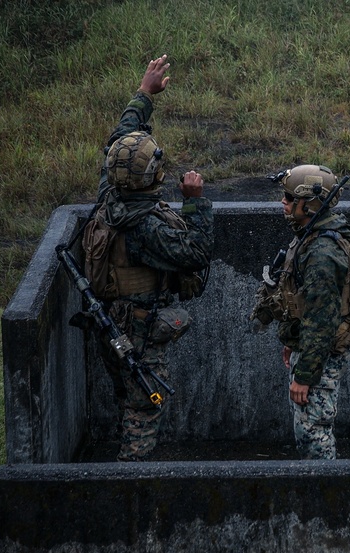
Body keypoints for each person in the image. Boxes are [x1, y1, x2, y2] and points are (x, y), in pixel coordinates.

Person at [86, 55, 214, 461]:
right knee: (145, 407)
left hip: (110, 323)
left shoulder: (109, 195)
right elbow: (195, 253)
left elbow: (121, 138)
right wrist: (195, 205)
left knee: (128, 395)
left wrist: (144, 94)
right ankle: (130, 483)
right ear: (154, 177)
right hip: (140, 332)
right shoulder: (147, 229)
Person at [251, 164, 350, 460]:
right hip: (310, 349)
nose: (283, 203)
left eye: (288, 198)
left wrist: (306, 374)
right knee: (308, 431)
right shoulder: (311, 235)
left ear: (309, 204)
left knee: (313, 435)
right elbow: (301, 301)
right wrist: (292, 341)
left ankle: (325, 495)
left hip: (320, 356)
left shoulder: (323, 252)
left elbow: (322, 320)